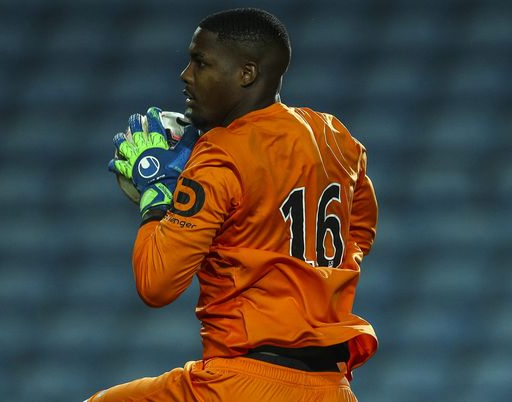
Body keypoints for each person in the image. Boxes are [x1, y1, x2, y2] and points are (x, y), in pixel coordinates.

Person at [94, 7, 378, 402]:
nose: (185, 76)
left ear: (246, 73)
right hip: (331, 388)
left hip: (240, 384)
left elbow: (156, 284)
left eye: (201, 62)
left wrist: (157, 195)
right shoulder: (336, 138)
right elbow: (360, 229)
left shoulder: (220, 154)